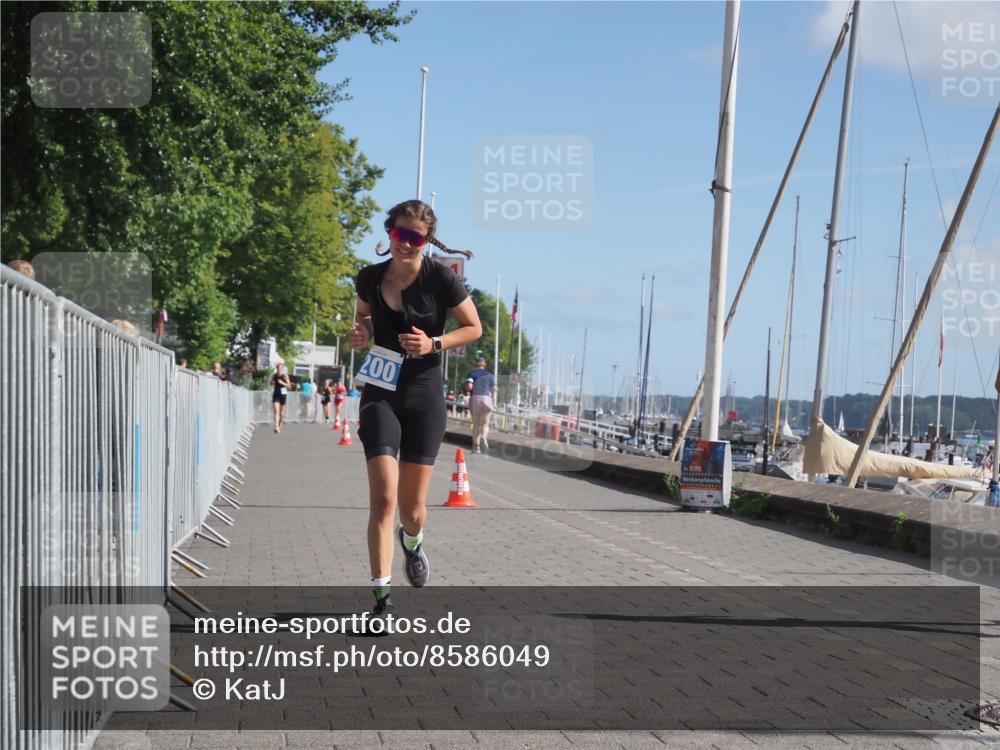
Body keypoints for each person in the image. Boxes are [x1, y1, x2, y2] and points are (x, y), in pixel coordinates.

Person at [349, 199, 481, 622]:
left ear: (427, 241)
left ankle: (414, 540)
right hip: (380, 390)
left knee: (411, 509)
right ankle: (382, 602)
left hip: (424, 395)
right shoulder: (369, 277)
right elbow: (364, 319)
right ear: (389, 233)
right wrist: (361, 332)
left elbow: (474, 327)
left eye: (417, 238)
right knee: (384, 500)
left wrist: (434, 344)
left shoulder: (440, 277)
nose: (408, 244)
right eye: (401, 234)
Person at [465, 356, 497, 454]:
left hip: (475, 398)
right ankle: (484, 437)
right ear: (484, 365)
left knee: (476, 424)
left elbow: (469, 387)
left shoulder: (472, 374)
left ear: (476, 365)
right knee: (485, 422)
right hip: (487, 398)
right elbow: (494, 388)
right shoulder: (490, 375)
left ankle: (477, 446)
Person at [270, 363, 292, 433]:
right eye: (278, 367)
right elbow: (270, 383)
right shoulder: (274, 375)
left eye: (280, 367)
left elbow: (289, 386)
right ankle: (276, 427)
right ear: (276, 368)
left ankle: (280, 424)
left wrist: (282, 383)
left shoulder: (285, 376)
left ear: (282, 368)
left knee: (281, 413)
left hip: (283, 394)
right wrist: (272, 382)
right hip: (276, 394)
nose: (279, 369)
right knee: (276, 411)